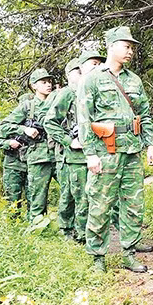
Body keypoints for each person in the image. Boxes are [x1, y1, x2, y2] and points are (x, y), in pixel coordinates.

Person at [77, 27, 153, 273]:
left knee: (134, 204)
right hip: (104, 152)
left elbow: (144, 114)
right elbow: (83, 118)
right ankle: (97, 257)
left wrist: (149, 144)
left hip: (131, 151)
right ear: (111, 46)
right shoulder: (92, 79)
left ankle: (129, 253)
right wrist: (90, 153)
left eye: (132, 47)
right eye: (126, 46)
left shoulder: (134, 80)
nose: (130, 51)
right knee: (101, 203)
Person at [44, 51, 103, 243]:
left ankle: (91, 233)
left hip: (99, 152)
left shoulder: (97, 89)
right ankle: (79, 235)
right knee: (79, 197)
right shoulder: (68, 93)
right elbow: (50, 122)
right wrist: (70, 141)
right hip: (76, 157)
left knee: (97, 197)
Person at [0, 68, 58, 221]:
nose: (48, 85)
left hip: (59, 155)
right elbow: (5, 126)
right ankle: (36, 230)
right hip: (38, 156)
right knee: (36, 199)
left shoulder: (58, 102)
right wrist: (25, 129)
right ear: (34, 86)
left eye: (50, 82)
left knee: (71, 191)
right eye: (43, 82)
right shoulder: (27, 106)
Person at [0, 92, 34, 211]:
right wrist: (9, 143)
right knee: (12, 201)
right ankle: (13, 225)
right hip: (13, 166)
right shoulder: (11, 123)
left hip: (30, 166)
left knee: (33, 198)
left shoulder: (34, 123)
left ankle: (32, 225)